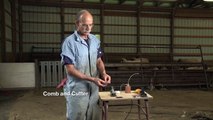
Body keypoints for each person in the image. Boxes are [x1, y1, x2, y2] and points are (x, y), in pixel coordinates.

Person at [60, 10, 111, 120]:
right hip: (77, 88)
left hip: (94, 87)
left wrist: (104, 73)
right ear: (77, 23)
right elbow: (70, 69)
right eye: (84, 25)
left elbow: (98, 60)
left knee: (94, 116)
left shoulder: (94, 40)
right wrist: (92, 79)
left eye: (90, 25)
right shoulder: (69, 42)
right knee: (77, 116)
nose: (88, 28)